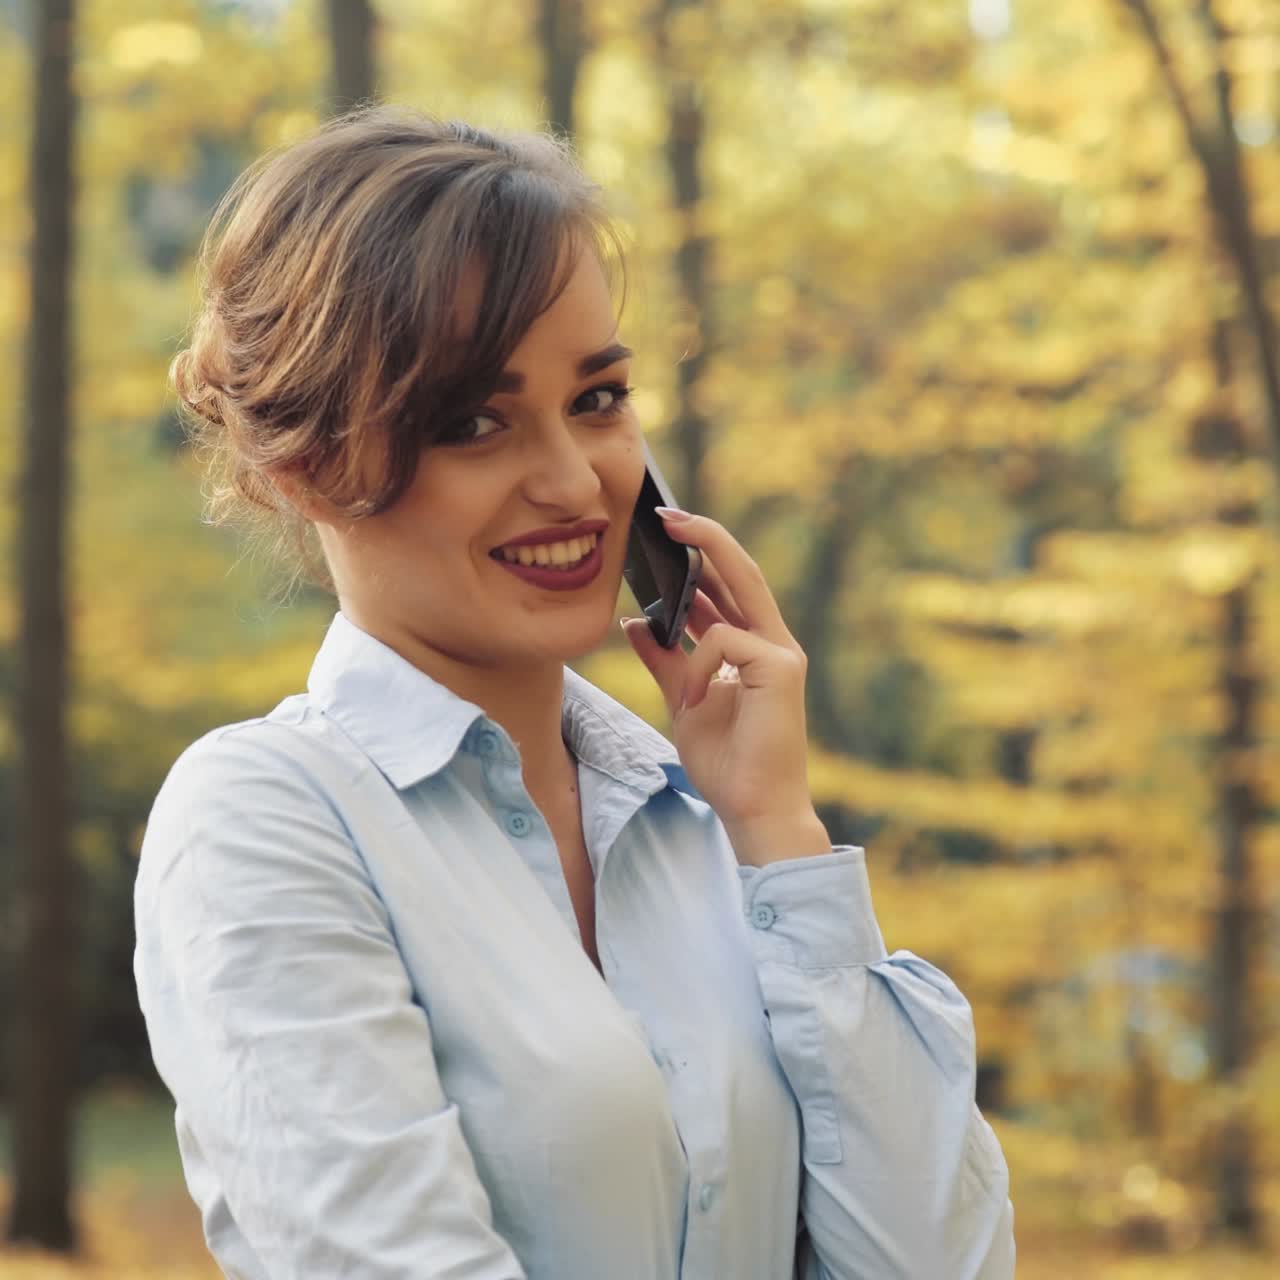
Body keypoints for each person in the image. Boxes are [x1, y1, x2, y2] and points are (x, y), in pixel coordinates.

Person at [133, 106, 1016, 1279]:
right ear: (305, 465)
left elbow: (939, 1260)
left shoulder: (705, 829)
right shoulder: (264, 820)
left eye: (597, 399)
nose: (574, 481)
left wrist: (775, 831)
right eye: (473, 421)